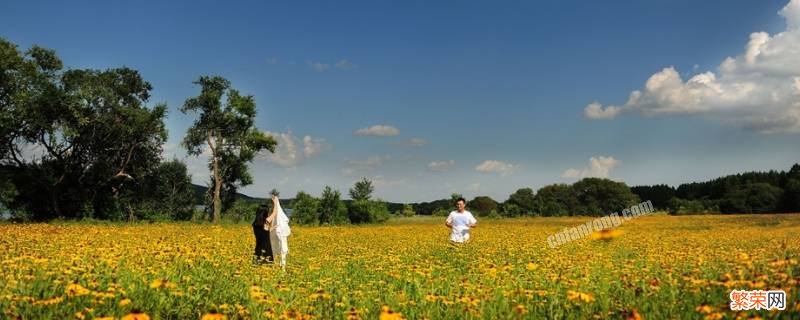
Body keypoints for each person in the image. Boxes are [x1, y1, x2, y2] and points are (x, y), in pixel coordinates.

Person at [266, 194, 291, 269]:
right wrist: (276, 203)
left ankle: (273, 266)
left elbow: (273, 214)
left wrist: (272, 228)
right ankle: (279, 267)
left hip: (265, 241)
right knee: (281, 249)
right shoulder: (267, 220)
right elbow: (274, 213)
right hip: (273, 235)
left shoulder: (260, 222)